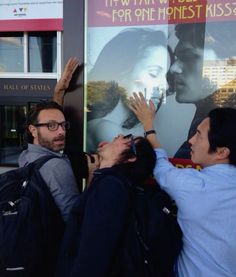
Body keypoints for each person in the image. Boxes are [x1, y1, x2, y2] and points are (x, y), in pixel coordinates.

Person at [130, 92, 236, 277]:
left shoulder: (194, 186)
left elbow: (161, 167)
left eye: (199, 135)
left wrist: (148, 126)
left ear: (221, 152)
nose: (191, 141)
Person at [56, 134, 157, 277]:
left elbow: (94, 253)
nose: (119, 135)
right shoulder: (111, 182)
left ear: (131, 157)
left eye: (127, 138)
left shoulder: (110, 188)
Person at [87, 27, 172, 152]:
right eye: (153, 73)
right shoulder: (106, 129)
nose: (165, 86)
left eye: (166, 75)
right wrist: (149, 127)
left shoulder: (117, 129)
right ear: (121, 75)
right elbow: (146, 168)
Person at [169, 21, 236, 158]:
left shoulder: (221, 125)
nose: (174, 68)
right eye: (177, 58)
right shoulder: (211, 117)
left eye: (187, 57)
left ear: (229, 62)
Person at [19, 101, 80, 221]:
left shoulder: (24, 156)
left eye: (63, 125)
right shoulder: (56, 166)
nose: (61, 131)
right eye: (51, 125)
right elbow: (73, 217)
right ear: (33, 130)